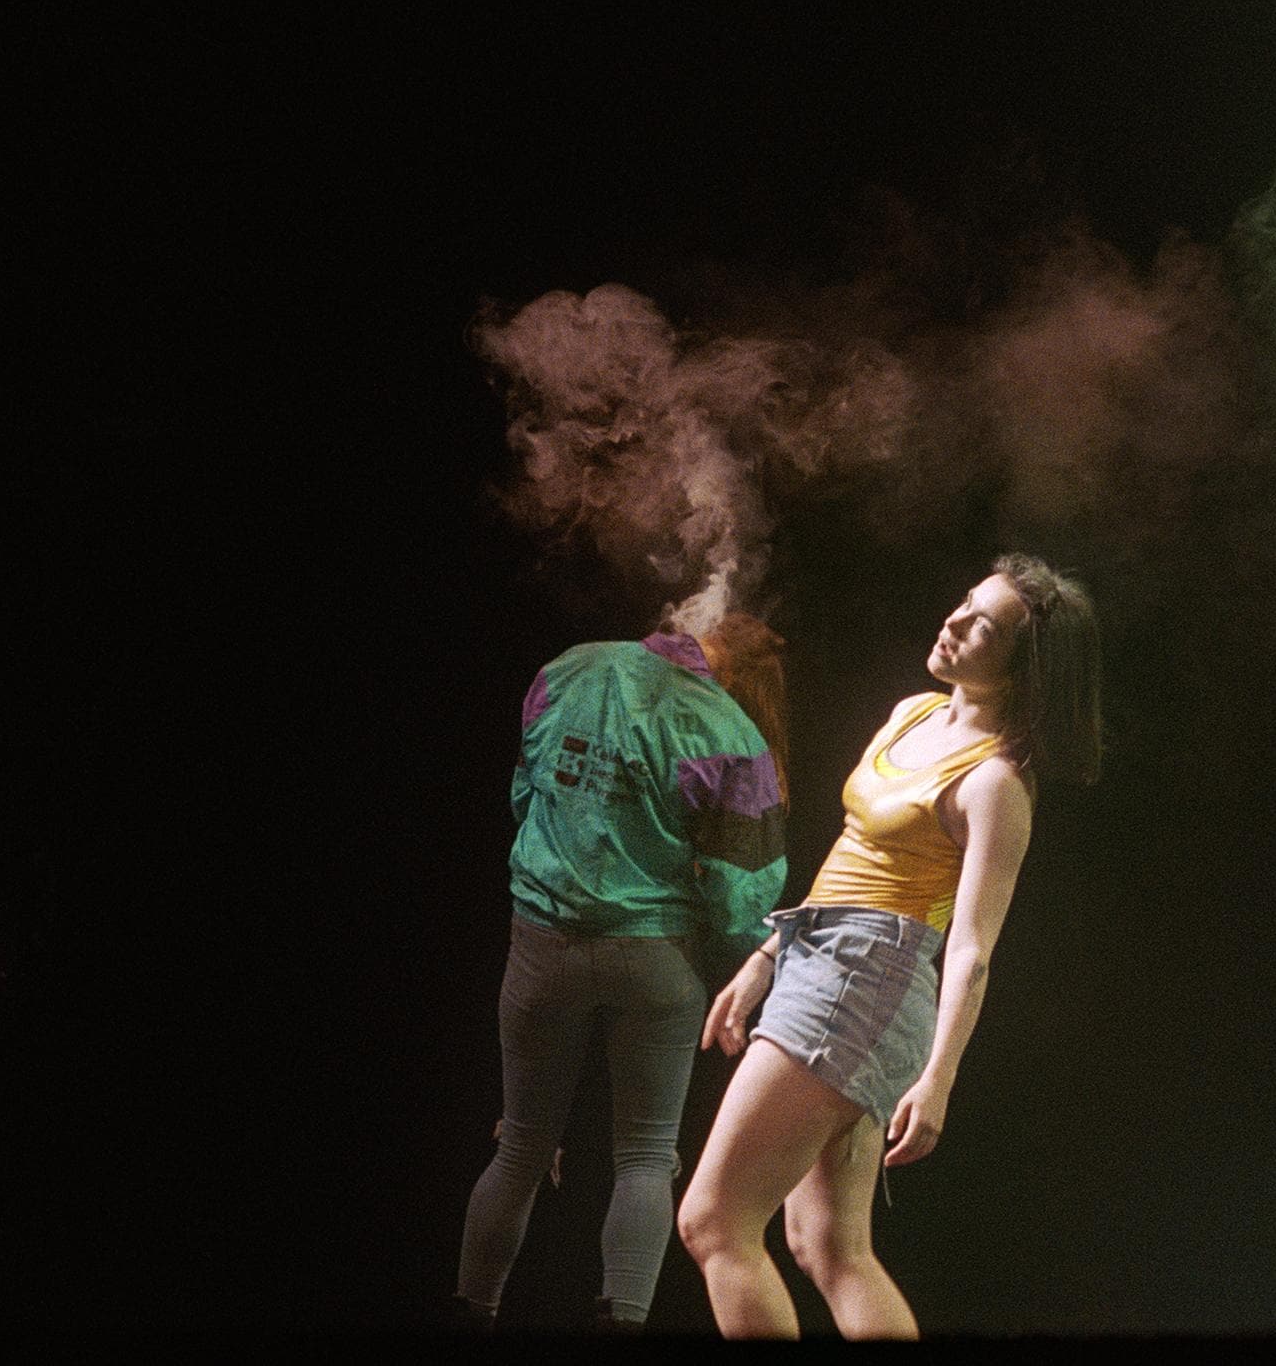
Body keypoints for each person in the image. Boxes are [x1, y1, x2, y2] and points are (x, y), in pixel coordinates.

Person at [678, 555, 1101, 1338]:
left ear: (1022, 666)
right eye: (963, 603)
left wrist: (938, 1078)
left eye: (983, 625)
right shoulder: (912, 713)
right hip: (824, 959)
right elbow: (849, 854)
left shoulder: (995, 783)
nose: (954, 621)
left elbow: (971, 946)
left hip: (868, 980)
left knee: (714, 1221)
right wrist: (764, 959)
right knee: (828, 1247)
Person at [457, 615, 791, 1333]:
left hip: (539, 942)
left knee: (519, 1146)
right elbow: (744, 894)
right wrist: (732, 957)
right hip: (656, 961)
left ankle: (471, 1314)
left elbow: (527, 793)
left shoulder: (566, 667)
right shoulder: (730, 728)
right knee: (644, 1156)